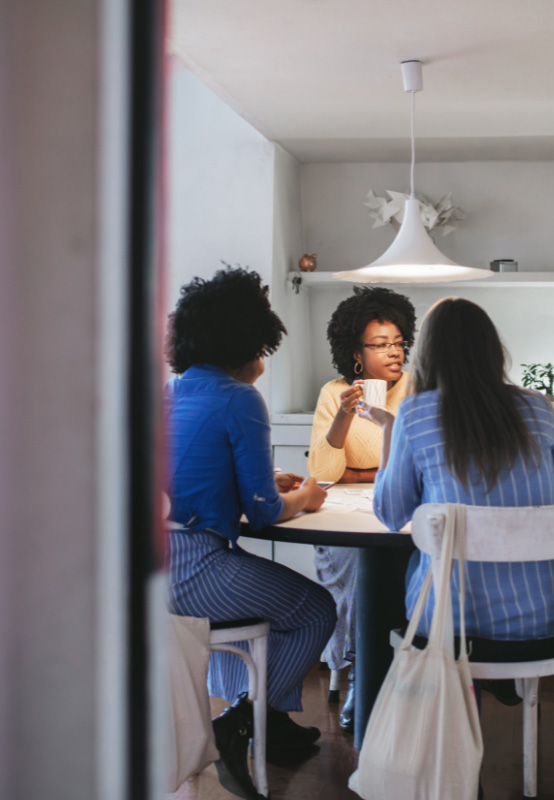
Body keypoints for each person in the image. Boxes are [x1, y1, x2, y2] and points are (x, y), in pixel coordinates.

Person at [165, 267, 335, 800]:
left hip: (146, 568)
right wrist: (304, 497)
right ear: (251, 340)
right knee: (314, 609)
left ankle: (272, 723)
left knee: (266, 603)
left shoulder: (170, 393)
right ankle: (239, 723)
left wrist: (266, 484)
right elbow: (262, 513)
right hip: (194, 569)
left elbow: (202, 479)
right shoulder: (240, 399)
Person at [363, 297, 554, 655]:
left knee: (409, 563)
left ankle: (374, 700)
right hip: (543, 619)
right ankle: (493, 679)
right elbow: (550, 503)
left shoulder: (416, 413)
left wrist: (388, 430)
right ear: (493, 349)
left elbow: (391, 514)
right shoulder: (538, 407)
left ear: (427, 354)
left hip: (452, 624)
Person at [307, 286, 415, 731]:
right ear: (357, 353)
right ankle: (357, 676)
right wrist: (343, 421)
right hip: (349, 517)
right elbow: (325, 473)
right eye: (381, 344)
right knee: (351, 559)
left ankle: (397, 679)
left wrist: (361, 473)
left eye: (398, 341)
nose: (394, 352)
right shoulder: (335, 394)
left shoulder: (419, 389)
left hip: (401, 513)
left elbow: (415, 466)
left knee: (400, 559)